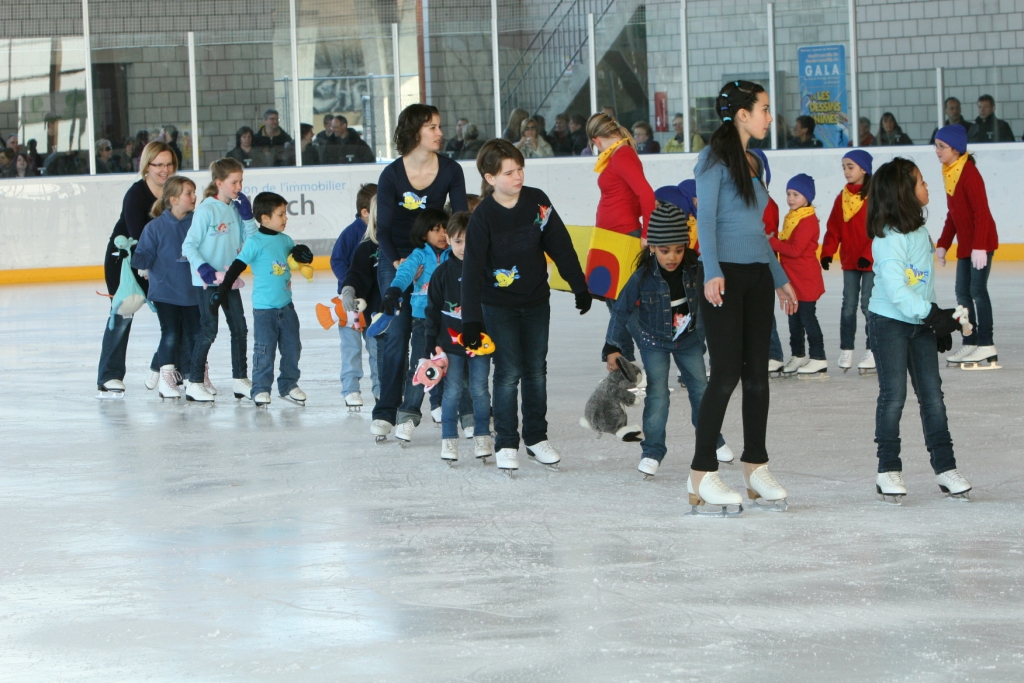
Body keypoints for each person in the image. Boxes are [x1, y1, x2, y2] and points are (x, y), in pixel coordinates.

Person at [689, 80, 798, 515]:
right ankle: (701, 472)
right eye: (764, 109)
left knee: (758, 376)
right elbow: (706, 220)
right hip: (725, 277)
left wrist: (779, 277)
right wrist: (713, 270)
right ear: (742, 114)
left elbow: (757, 230)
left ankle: (756, 467)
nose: (769, 116)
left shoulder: (751, 162)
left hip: (756, 276)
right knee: (725, 374)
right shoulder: (711, 160)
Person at [460, 139, 591, 473]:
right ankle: (506, 442)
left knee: (535, 371)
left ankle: (536, 437)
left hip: (535, 301)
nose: (517, 176)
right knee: (507, 373)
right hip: (498, 305)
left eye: (520, 169)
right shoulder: (483, 217)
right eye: (508, 172)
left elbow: (560, 244)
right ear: (490, 178)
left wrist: (578, 284)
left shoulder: (537, 202)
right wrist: (471, 320)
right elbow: (471, 271)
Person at [866, 157, 973, 504]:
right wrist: (933, 316)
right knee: (893, 396)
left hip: (920, 322)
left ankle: (945, 467)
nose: (927, 187)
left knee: (933, 397)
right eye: (921, 182)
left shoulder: (920, 232)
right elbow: (897, 291)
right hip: (889, 323)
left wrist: (935, 319)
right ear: (904, 193)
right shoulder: (888, 238)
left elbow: (922, 284)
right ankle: (888, 468)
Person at [603, 203, 732, 479]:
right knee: (658, 395)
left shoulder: (696, 269)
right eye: (664, 251)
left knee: (702, 390)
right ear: (652, 247)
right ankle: (652, 451)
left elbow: (713, 303)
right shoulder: (642, 276)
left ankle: (712, 439)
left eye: (678, 249)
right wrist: (612, 347)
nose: (672, 257)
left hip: (688, 340)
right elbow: (621, 310)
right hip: (654, 341)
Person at [371, 104, 468, 443]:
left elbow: (460, 222)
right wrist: (399, 262)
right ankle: (386, 410)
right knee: (397, 335)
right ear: (415, 132)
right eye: (432, 127)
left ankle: (451, 404)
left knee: (441, 330)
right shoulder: (392, 175)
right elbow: (382, 231)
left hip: (438, 257)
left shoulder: (451, 170)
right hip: (396, 257)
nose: (440, 133)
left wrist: (455, 261)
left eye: (439, 126)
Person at [212, 192, 313, 406]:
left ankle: (288, 384)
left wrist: (304, 255)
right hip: (264, 309)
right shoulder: (255, 242)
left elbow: (297, 260)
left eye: (285, 214)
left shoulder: (286, 240)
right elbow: (238, 265)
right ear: (265, 218)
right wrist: (223, 289)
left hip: (287, 306)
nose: (285, 218)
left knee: (292, 348)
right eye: (281, 214)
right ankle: (260, 388)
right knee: (264, 350)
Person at [96, 141, 178, 397]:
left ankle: (165, 366)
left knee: (177, 314)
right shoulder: (136, 194)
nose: (165, 170)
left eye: (169, 164)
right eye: (159, 165)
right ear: (147, 166)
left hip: (160, 261)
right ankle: (109, 375)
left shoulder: (174, 192)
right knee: (123, 313)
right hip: (125, 260)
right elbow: (139, 235)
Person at [181, 157, 257, 402]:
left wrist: (248, 217)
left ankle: (240, 379)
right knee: (208, 330)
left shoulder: (236, 209)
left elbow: (253, 241)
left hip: (229, 279)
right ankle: (194, 382)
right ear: (219, 183)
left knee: (239, 328)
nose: (239, 187)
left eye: (241, 181)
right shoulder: (206, 209)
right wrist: (203, 267)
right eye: (234, 182)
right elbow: (188, 245)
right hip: (207, 281)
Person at [424, 211, 493, 463]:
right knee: (452, 391)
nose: (463, 248)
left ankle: (482, 435)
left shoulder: (486, 271)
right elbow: (432, 310)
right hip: (450, 347)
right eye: (458, 241)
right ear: (449, 241)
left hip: (481, 346)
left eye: (469, 241)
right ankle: (449, 439)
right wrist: (431, 340)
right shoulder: (441, 274)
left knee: (480, 389)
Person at [588, 112, 656, 364]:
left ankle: (650, 357)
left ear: (596, 140)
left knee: (623, 303)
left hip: (623, 237)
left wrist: (647, 233)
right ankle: (626, 362)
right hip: (610, 238)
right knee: (614, 302)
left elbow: (646, 194)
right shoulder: (618, 154)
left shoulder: (622, 155)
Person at [381, 208, 451, 444]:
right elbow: (405, 271)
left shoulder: (455, 255)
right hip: (423, 321)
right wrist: (394, 290)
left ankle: (469, 418)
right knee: (420, 367)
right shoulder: (419, 255)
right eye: (436, 230)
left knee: (458, 369)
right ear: (424, 234)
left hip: (451, 321)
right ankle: (408, 416)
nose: (442, 234)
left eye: (446, 229)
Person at [933, 124, 1000, 368]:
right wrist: (943, 243)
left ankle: (986, 343)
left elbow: (982, 212)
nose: (937, 150)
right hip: (966, 246)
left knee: (977, 292)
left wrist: (980, 246)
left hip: (980, 243)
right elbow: (953, 215)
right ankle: (970, 340)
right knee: (962, 293)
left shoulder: (969, 174)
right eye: (936, 146)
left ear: (956, 149)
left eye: (942, 146)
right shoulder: (950, 172)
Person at [131, 175, 200, 399]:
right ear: (173, 199)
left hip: (192, 291)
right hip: (165, 292)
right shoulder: (155, 228)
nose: (194, 197)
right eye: (188, 193)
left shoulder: (197, 223)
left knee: (194, 334)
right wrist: (134, 256)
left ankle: (194, 378)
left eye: (194, 192)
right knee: (170, 333)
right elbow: (143, 257)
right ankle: (166, 378)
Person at [822, 150, 875, 374]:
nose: (846, 171)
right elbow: (834, 227)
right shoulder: (842, 197)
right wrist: (827, 251)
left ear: (864, 168)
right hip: (850, 261)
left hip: (870, 262)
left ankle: (873, 349)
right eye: (844, 167)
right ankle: (847, 349)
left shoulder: (875, 196)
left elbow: (879, 229)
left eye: (850, 166)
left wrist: (868, 254)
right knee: (848, 306)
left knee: (868, 305)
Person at [769, 174, 827, 377]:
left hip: (806, 277)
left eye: (796, 194)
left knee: (807, 318)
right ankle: (799, 355)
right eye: (788, 194)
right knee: (793, 319)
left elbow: (795, 250)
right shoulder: (793, 217)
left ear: (807, 197)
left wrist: (771, 241)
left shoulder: (807, 220)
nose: (791, 198)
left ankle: (818, 357)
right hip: (792, 277)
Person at [330, 183, 379, 409]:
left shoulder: (381, 235)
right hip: (350, 304)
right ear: (365, 212)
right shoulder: (351, 233)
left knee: (376, 347)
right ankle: (351, 389)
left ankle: (380, 389)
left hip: (373, 304)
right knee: (351, 348)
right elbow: (337, 260)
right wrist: (348, 285)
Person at [341, 195, 384, 402]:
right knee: (369, 350)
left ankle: (389, 389)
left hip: (396, 312)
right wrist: (348, 289)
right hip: (369, 311)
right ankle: (375, 391)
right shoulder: (367, 246)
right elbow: (355, 272)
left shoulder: (404, 244)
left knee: (394, 354)